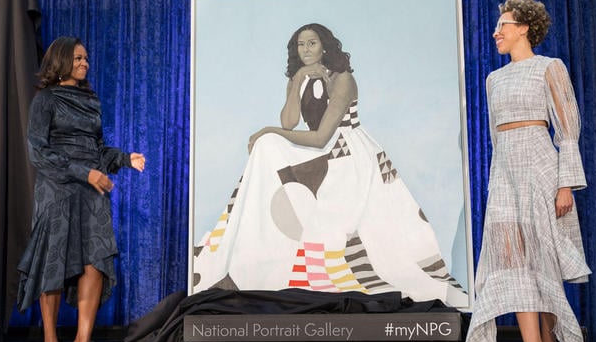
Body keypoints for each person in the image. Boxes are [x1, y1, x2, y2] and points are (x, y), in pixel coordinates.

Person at [193, 23, 468, 308]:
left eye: (312, 43)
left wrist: (268, 131)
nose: (306, 49)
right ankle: (251, 246)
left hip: (346, 153)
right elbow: (289, 122)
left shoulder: (342, 79)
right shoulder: (297, 78)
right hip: (321, 151)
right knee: (267, 147)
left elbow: (322, 136)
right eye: (301, 44)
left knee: (269, 141)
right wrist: (297, 81)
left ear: (325, 46)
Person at [464, 0, 591, 342]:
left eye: (504, 25)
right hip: (505, 173)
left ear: (524, 28)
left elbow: (567, 129)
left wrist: (565, 182)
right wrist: (495, 182)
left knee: (540, 263)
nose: (495, 32)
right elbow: (493, 136)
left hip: (540, 166)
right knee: (512, 264)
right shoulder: (493, 79)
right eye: (497, 25)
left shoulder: (549, 68)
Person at [16, 36, 146, 342]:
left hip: (92, 189)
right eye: (77, 58)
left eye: (86, 58)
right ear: (60, 61)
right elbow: (38, 151)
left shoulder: (91, 101)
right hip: (58, 188)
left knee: (96, 262)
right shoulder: (45, 100)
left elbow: (97, 149)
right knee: (55, 264)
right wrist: (82, 173)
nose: (84, 63)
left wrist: (123, 159)